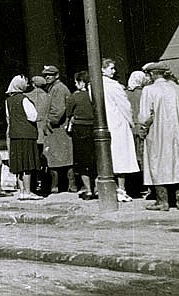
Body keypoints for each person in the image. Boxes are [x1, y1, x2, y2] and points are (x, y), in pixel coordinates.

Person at [139, 62, 179, 211]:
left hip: (157, 132)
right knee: (177, 163)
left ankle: (162, 201)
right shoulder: (177, 89)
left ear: (153, 74)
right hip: (175, 132)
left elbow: (146, 115)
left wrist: (143, 128)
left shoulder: (149, 90)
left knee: (157, 163)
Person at [101, 58, 139, 202]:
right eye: (111, 68)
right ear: (103, 69)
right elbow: (125, 106)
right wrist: (131, 121)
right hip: (118, 123)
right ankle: (121, 189)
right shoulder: (114, 86)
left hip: (105, 123)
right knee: (122, 156)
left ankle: (113, 188)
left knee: (109, 157)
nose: (114, 71)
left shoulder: (93, 86)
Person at [4, 75, 42, 200]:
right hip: (26, 135)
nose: (27, 85)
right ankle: (28, 191)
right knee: (27, 165)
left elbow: (9, 118)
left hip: (15, 135)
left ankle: (22, 192)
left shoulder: (8, 101)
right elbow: (33, 116)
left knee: (19, 166)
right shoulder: (24, 99)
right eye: (25, 83)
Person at [43, 65, 76, 193]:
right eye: (45, 75)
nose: (47, 77)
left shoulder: (58, 89)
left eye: (49, 75)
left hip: (58, 128)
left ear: (56, 75)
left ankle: (61, 185)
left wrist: (49, 121)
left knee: (61, 157)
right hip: (56, 129)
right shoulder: (54, 88)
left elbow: (58, 110)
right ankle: (63, 185)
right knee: (62, 156)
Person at [66, 71, 97, 200]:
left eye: (76, 82)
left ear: (81, 82)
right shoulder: (93, 95)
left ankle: (88, 190)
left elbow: (68, 112)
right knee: (94, 159)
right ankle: (96, 188)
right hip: (93, 128)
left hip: (79, 129)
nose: (75, 84)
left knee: (82, 160)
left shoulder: (75, 96)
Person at [126, 70, 148, 197]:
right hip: (141, 127)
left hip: (130, 128)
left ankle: (133, 186)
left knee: (133, 157)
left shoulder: (126, 93)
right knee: (143, 157)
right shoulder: (144, 93)